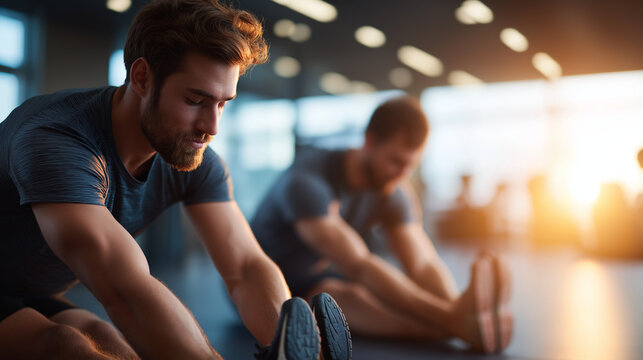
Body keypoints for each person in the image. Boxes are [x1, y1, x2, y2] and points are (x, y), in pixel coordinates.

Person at [0, 0, 351, 359]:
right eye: (195, 99)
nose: (211, 127)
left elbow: (245, 266)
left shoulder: (190, 153)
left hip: (28, 291)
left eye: (222, 103)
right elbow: (123, 289)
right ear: (142, 78)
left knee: (103, 338)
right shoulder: (56, 141)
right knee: (66, 347)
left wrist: (287, 344)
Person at [251, 96, 513, 353]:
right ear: (369, 141)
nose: (402, 174)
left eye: (411, 165)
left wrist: (455, 305)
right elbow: (359, 264)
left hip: (321, 276)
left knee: (355, 291)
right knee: (339, 296)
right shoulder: (308, 180)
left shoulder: (393, 189)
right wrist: (452, 318)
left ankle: (462, 320)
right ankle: (455, 325)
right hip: (267, 287)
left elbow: (422, 263)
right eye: (396, 161)